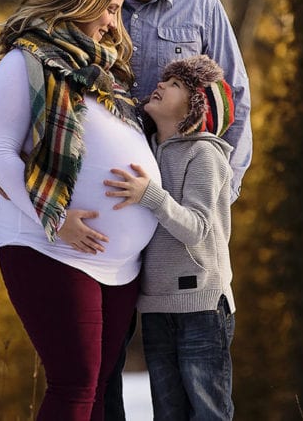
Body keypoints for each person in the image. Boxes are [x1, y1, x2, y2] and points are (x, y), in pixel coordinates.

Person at [0, 0, 162, 421]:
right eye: (110, 7)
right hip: (50, 249)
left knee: (99, 387)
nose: (113, 22)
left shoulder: (102, 76)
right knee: (76, 383)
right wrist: (55, 219)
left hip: (118, 266)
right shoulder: (25, 62)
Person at [101, 0, 251, 419]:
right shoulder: (95, 10)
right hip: (117, 212)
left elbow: (236, 101)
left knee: (198, 378)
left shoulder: (202, 6)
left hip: (182, 218)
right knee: (108, 361)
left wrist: (213, 199)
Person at [105, 55, 237, 420]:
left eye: (176, 84)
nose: (161, 85)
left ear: (194, 108)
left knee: (208, 412)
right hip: (156, 307)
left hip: (201, 307)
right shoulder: (148, 148)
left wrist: (150, 194)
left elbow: (197, 227)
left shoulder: (204, 153)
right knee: (167, 413)